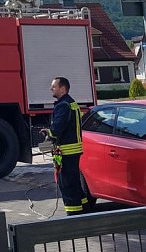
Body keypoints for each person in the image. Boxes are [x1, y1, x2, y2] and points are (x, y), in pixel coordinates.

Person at [46, 77, 88, 216]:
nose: (51, 89)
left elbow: (58, 127)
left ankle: (73, 215)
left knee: (67, 184)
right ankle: (85, 208)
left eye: (54, 87)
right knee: (74, 181)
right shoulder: (71, 103)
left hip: (66, 150)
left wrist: (49, 133)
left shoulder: (63, 105)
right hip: (73, 149)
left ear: (62, 89)